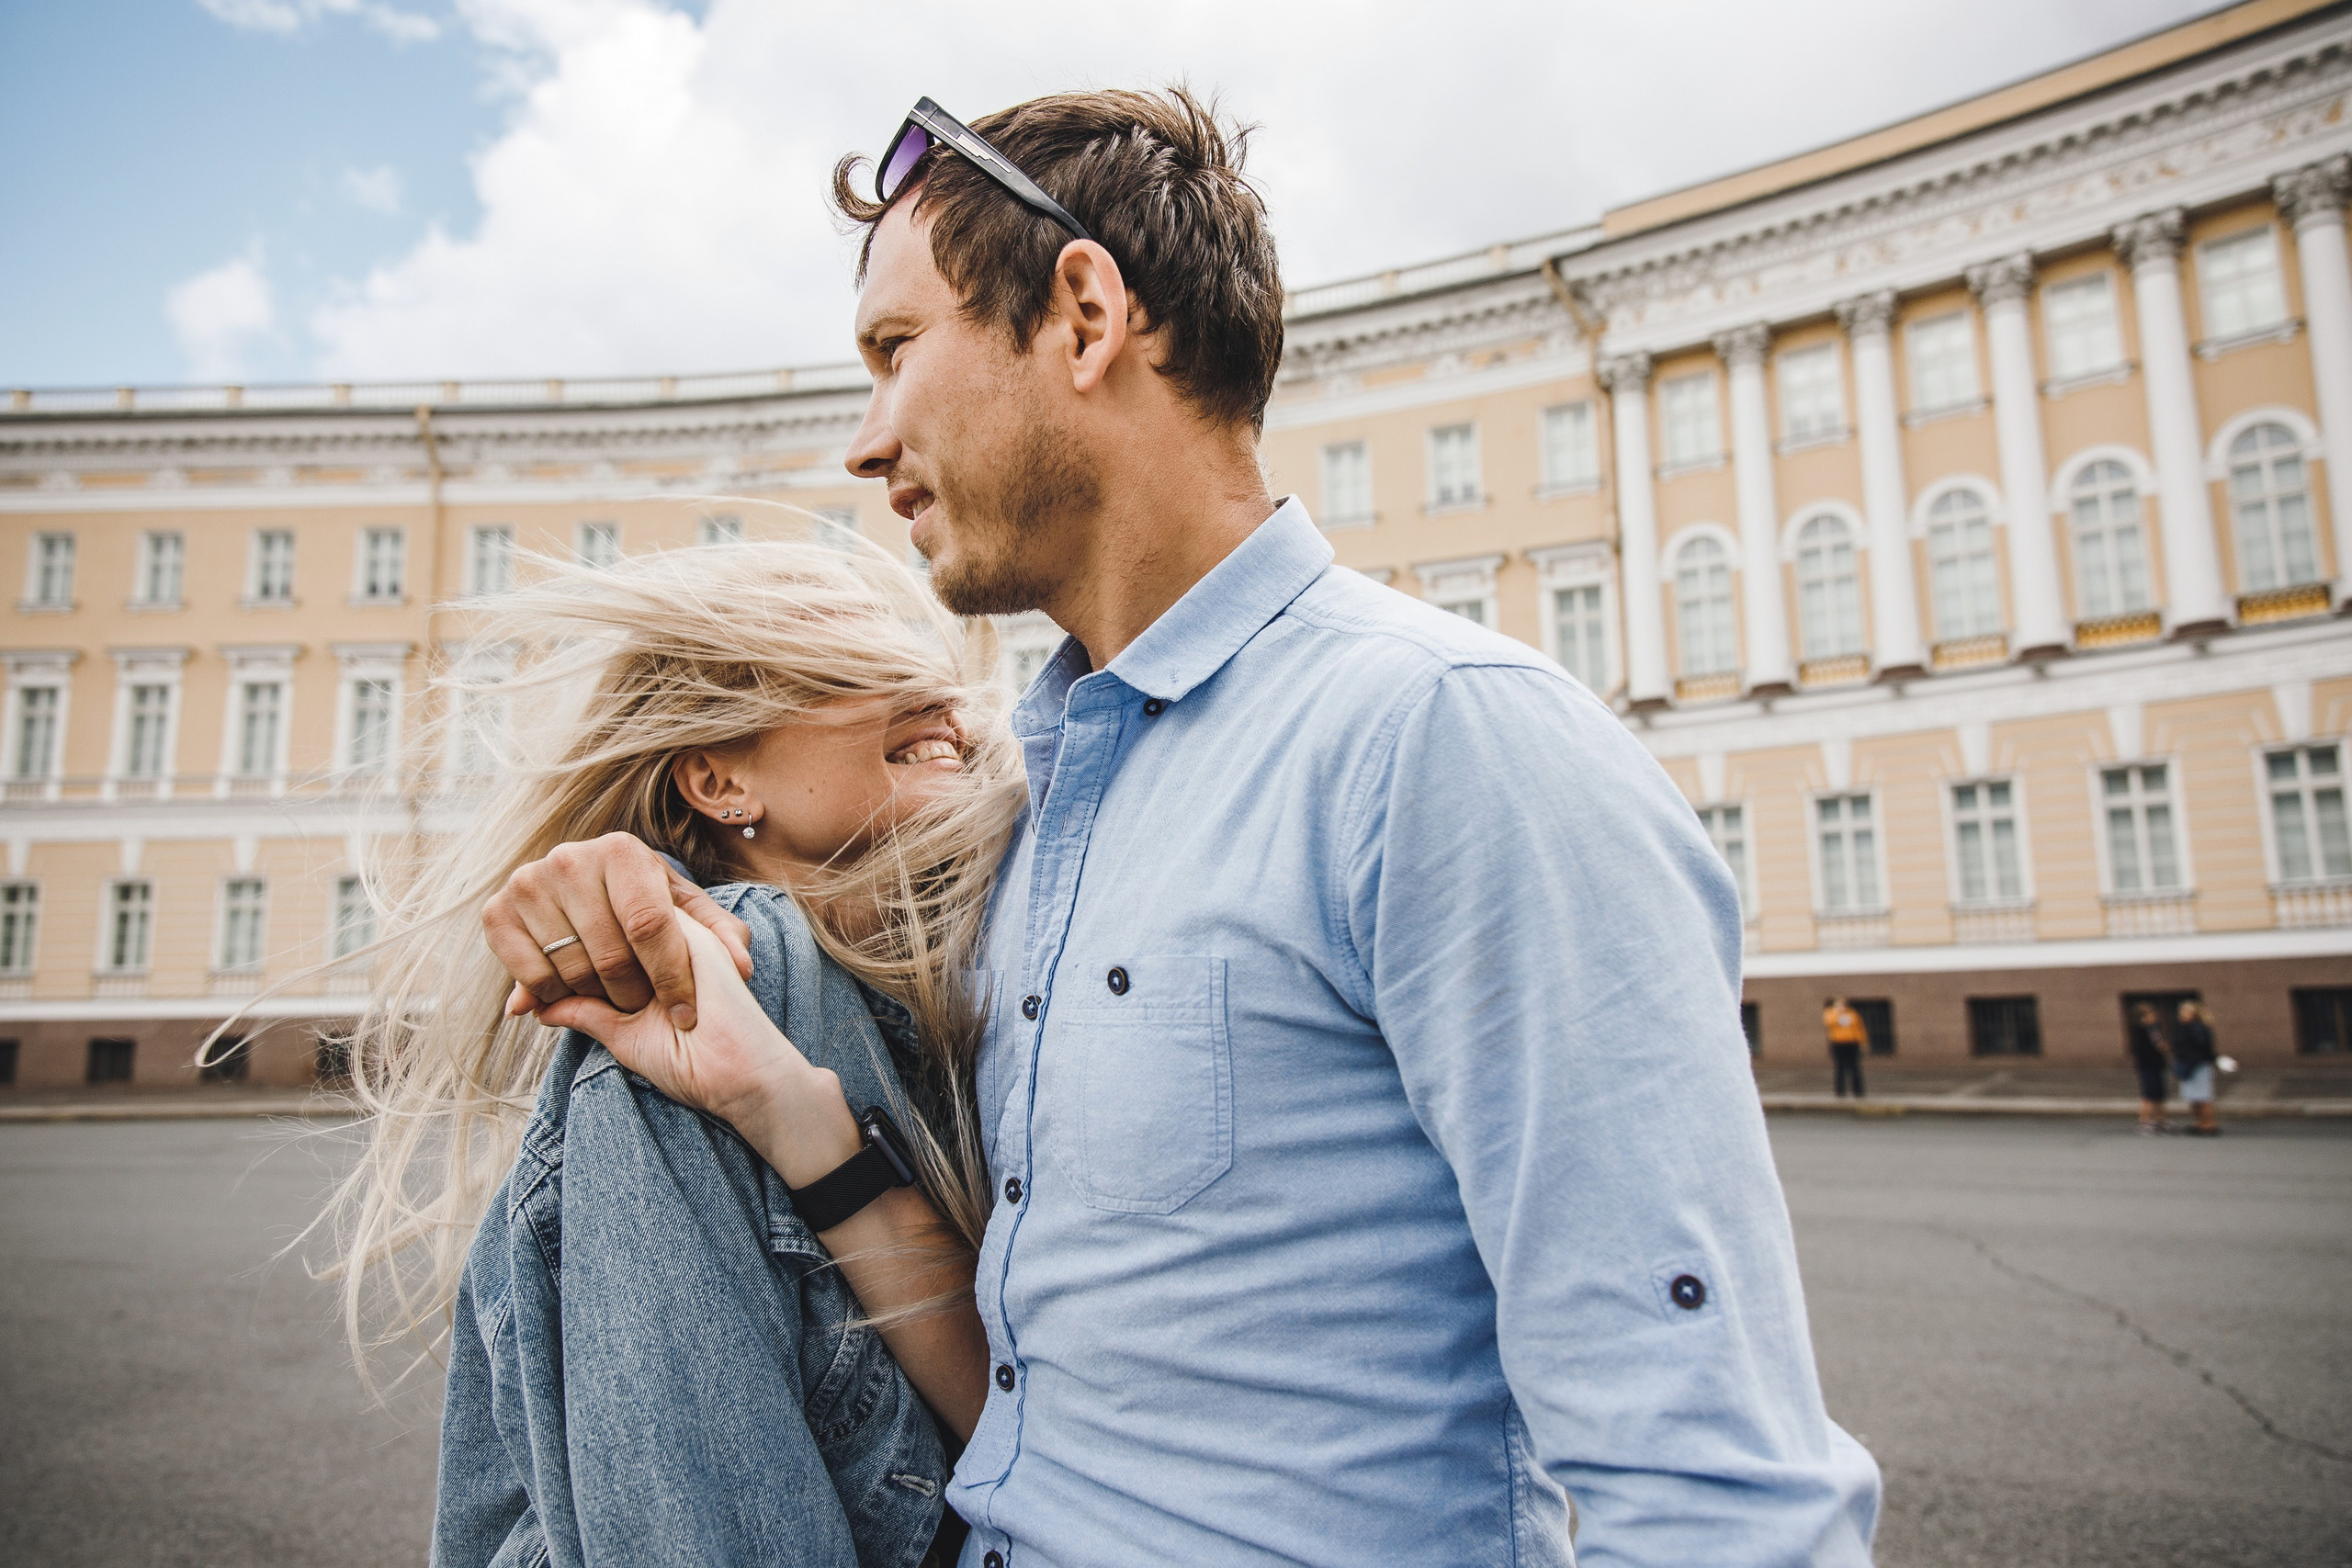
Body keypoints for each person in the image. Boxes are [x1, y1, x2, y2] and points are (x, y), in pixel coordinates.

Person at [483, 88, 1881, 1564]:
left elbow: (1719, 1492)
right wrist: (660, 906)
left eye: (897, 351)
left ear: (1084, 313)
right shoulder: (1024, 795)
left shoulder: (1440, 742)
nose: (864, 435)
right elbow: (1036, 1409)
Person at [322, 520, 1027, 1566]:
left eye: (920, 654)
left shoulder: (941, 983)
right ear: (720, 784)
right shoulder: (726, 976)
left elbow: (1014, 1440)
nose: (932, 685)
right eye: (849, 655)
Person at [2173, 999, 2222, 1137]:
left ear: (2194, 1014)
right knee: (2192, 1097)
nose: (2182, 1014)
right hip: (2188, 1065)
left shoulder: (2198, 1028)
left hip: (2198, 1066)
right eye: (2181, 1012)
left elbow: (2202, 1048)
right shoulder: (2183, 1027)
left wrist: (2191, 1060)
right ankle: (2199, 1122)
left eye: (2185, 1012)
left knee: (2202, 1096)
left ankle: (2209, 1124)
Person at [2127, 1003, 2172, 1134]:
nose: (2154, 1016)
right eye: (2151, 1014)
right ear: (2144, 1017)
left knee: (2158, 1094)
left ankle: (2161, 1121)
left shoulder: (2154, 1029)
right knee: (2149, 1094)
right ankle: (2144, 1122)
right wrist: (2159, 1048)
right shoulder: (2141, 1031)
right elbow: (2142, 1050)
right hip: (2147, 1065)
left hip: (2157, 1064)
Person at [1824, 996, 1868, 1099]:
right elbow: (1829, 1023)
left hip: (1852, 1043)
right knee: (1840, 1067)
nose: (1841, 1006)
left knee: (1855, 1067)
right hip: (1838, 1043)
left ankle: (1858, 1092)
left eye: (1842, 1004)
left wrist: (1862, 1041)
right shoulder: (1830, 1013)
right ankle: (1840, 1092)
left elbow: (1859, 1028)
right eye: (1838, 1004)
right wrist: (1838, 1013)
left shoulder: (1852, 1014)